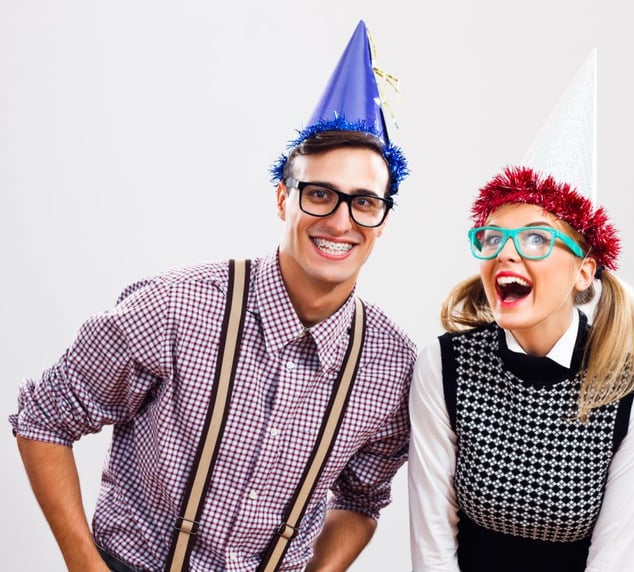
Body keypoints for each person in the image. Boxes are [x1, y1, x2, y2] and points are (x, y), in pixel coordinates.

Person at [10, 20, 415, 572]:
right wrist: (86, 566)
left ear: (382, 220)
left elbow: (362, 500)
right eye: (320, 194)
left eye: (364, 202)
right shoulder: (174, 307)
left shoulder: (392, 365)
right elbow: (44, 419)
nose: (341, 222)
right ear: (283, 199)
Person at [407, 52, 634, 571]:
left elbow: (616, 560)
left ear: (584, 272)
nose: (506, 253)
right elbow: (432, 547)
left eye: (534, 239)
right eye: (493, 238)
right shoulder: (443, 366)